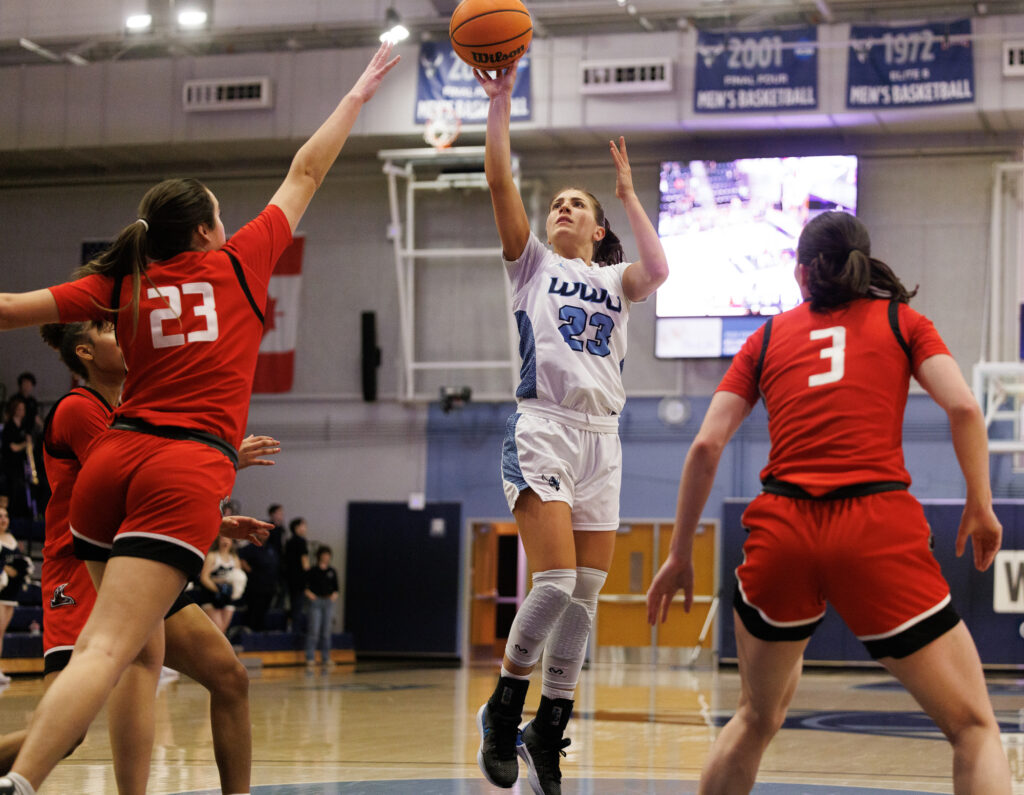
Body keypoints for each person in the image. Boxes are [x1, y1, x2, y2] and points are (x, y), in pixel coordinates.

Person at [0, 41, 399, 795]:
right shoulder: (241, 263)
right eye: (221, 213)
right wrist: (358, 91)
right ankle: (20, 782)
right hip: (181, 468)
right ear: (208, 232)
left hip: (112, 468)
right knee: (119, 650)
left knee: (125, 654)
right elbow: (306, 170)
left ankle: (40, 777)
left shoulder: (123, 280)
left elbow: (11, 310)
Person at [646, 211, 1011, 794]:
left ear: (799, 274)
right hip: (874, 528)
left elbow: (706, 445)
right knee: (973, 727)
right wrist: (981, 502)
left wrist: (679, 553)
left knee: (754, 717)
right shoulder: (903, 321)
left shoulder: (765, 338)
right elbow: (965, 408)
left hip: (782, 531)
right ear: (864, 264)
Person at [472, 63, 668, 795]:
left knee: (583, 596)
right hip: (545, 428)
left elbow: (659, 265)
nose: (560, 208)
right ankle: (504, 706)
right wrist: (499, 106)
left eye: (574, 204)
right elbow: (499, 184)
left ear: (598, 226)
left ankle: (549, 728)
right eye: (555, 202)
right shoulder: (531, 266)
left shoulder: (617, 281)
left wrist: (627, 192)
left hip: (603, 440)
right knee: (553, 581)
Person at [0, 319, 276, 795]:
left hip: (135, 556)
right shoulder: (77, 408)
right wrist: (226, 455)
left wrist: (219, 522)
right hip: (83, 567)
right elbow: (127, 486)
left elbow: (153, 497)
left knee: (230, 678)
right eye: (109, 329)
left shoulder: (134, 409)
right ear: (85, 352)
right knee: (69, 733)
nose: (126, 334)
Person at [0, 505, 33, 686]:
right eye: (0, 516)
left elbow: (20, 563)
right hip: (0, 591)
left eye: (6, 516)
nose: (4, 519)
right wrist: (4, 569)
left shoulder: (11, 538)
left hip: (11, 593)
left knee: (1, 633)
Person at [197, 534, 245, 634]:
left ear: (232, 542)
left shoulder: (234, 558)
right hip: (212, 595)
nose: (225, 542)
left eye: (228, 539)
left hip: (227, 597)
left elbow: (239, 578)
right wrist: (218, 589)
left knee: (223, 630)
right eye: (223, 539)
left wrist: (232, 592)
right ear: (218, 541)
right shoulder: (212, 556)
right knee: (217, 630)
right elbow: (204, 577)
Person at [303, 544, 339, 670]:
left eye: (328, 555)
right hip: (316, 602)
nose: (326, 557)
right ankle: (310, 657)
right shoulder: (313, 571)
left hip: (328, 602)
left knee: (326, 631)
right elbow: (305, 587)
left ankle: (326, 657)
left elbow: (336, 588)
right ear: (319, 556)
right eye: (324, 555)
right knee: (314, 631)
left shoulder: (331, 571)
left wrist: (334, 595)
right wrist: (310, 595)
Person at [0, 398, 33, 520]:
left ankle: (20, 516)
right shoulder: (9, 426)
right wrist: (25, 443)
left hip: (21, 464)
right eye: (19, 409)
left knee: (21, 490)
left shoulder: (24, 426)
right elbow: (12, 447)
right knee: (11, 491)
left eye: (23, 409)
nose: (21, 411)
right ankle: (10, 517)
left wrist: (29, 444)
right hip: (9, 465)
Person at [284, 516, 311, 630]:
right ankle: (296, 634)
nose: (305, 528)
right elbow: (305, 563)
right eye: (303, 525)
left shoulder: (289, 542)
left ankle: (292, 629)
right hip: (299, 580)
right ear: (297, 527)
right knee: (298, 608)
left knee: (293, 605)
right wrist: (309, 577)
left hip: (290, 579)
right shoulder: (301, 541)